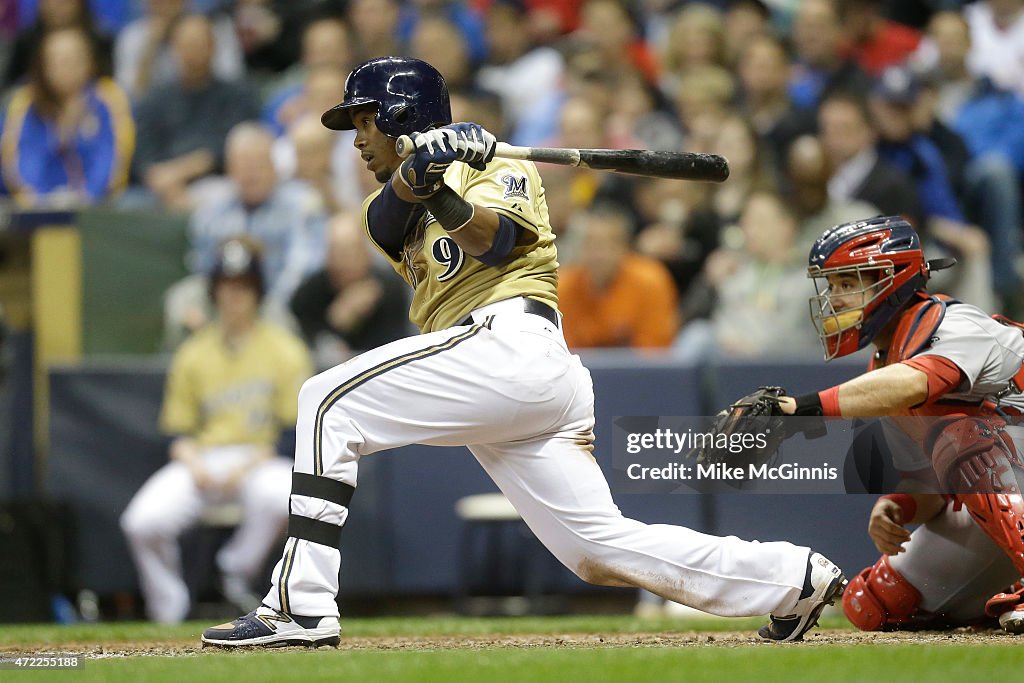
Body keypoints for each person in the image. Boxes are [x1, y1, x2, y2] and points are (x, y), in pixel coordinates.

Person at [200, 56, 847, 648]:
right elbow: (387, 220)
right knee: (596, 548)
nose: (358, 139)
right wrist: (422, 172)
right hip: (495, 371)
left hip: (513, 345)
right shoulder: (384, 197)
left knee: (323, 400)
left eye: (366, 122)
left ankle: (302, 604)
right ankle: (793, 575)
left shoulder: (500, 164)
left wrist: (448, 185)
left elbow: (498, 241)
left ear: (402, 116)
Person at [761, 215, 1024, 633]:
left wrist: (801, 408)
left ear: (891, 279)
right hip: (1012, 482)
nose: (835, 299)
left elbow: (915, 383)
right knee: (877, 601)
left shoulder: (953, 323)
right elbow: (928, 486)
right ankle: (1006, 601)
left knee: (962, 438)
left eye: (847, 284)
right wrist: (897, 505)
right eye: (831, 286)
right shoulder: (887, 363)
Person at [121, 236, 313, 624]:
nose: (233, 297)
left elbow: (291, 433)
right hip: (204, 459)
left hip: (260, 459)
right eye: (226, 287)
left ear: (256, 293)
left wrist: (248, 465)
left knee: (286, 494)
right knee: (141, 521)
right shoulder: (193, 352)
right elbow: (178, 433)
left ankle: (235, 568)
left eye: (242, 287)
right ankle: (168, 608)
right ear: (214, 292)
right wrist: (194, 464)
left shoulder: (285, 348)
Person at [0, 26, 134, 207]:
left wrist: (87, 197)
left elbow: (111, 159)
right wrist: (42, 201)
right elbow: (22, 163)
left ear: (89, 62)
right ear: (44, 66)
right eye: (57, 61)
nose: (65, 68)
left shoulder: (108, 98)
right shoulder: (25, 102)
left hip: (97, 207)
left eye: (72, 60)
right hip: (37, 208)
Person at [289, 211, 412, 366]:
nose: (341, 262)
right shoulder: (310, 292)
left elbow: (395, 348)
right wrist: (336, 322)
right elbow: (305, 346)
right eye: (335, 253)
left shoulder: (389, 287)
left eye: (349, 252)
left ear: (365, 254)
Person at [557, 203, 678, 349]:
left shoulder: (650, 282)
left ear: (625, 247)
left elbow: (655, 353)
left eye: (609, 245)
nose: (599, 254)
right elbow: (560, 352)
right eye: (591, 244)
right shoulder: (562, 287)